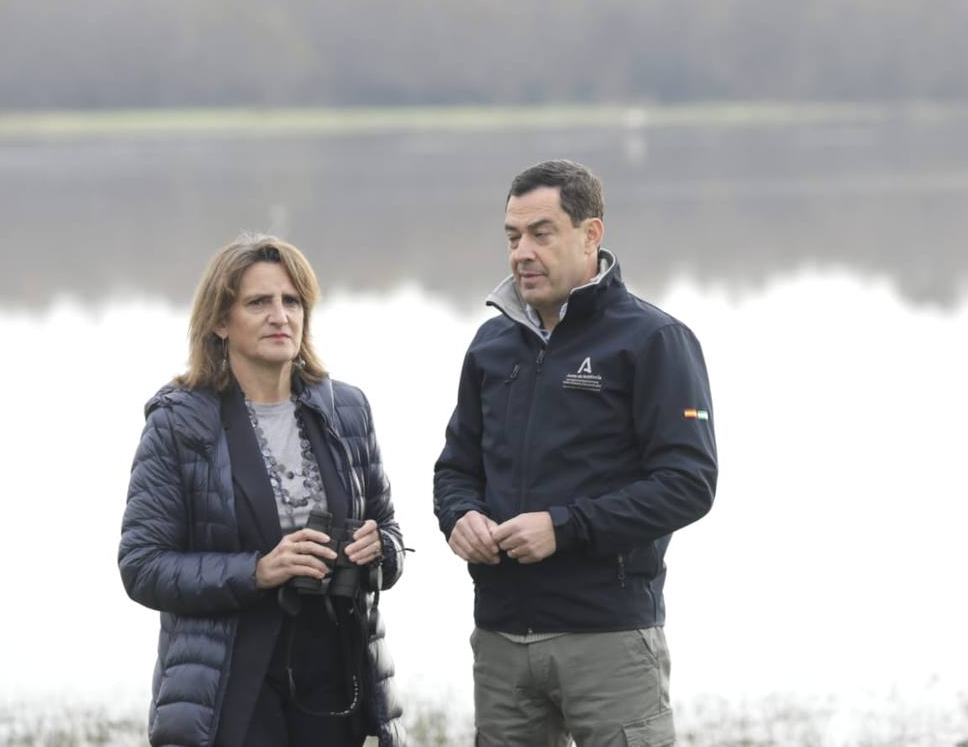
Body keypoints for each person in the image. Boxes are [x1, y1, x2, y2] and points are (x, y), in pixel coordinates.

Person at [433, 160, 718, 746]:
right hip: (501, 638)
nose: (522, 253)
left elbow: (688, 484)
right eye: (513, 236)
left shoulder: (654, 339)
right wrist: (460, 517)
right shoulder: (490, 345)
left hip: (607, 638)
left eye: (541, 233)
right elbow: (456, 469)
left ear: (591, 235)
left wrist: (563, 528)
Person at [120, 234, 407, 747]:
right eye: (258, 303)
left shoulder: (347, 410)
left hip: (338, 674)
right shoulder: (178, 423)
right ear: (220, 321)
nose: (280, 316)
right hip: (230, 683)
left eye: (291, 301)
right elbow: (143, 566)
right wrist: (258, 571)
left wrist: (379, 549)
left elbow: (389, 533)